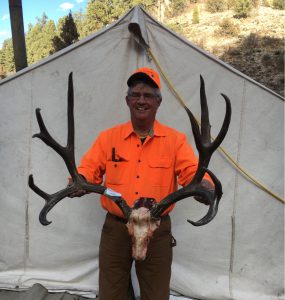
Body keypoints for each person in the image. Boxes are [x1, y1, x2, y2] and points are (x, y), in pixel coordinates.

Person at [69, 67, 214, 300]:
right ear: (127, 101)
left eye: (148, 95)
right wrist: (79, 181)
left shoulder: (175, 141)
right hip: (117, 228)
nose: (141, 100)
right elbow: (89, 169)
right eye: (135, 95)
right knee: (111, 293)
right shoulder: (108, 138)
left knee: (156, 294)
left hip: (156, 229)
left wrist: (205, 186)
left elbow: (191, 171)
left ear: (158, 102)